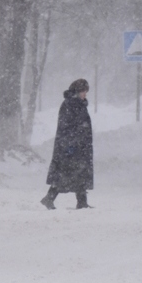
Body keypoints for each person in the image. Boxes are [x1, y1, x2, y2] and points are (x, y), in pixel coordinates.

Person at [42, 78, 94, 210]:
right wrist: (71, 144)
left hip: (80, 146)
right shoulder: (69, 104)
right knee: (66, 173)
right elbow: (66, 126)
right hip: (70, 146)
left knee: (79, 173)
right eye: (83, 91)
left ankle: (81, 202)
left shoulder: (78, 104)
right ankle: (49, 198)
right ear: (77, 91)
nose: (85, 94)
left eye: (86, 91)